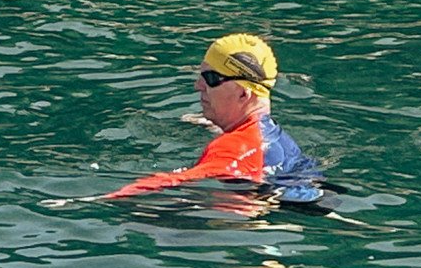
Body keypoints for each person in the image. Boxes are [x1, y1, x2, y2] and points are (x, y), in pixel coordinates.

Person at [109, 32, 325, 205]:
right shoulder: (274, 137)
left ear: (244, 94)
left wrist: (105, 199)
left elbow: (184, 178)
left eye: (210, 79)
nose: (198, 86)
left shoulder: (235, 146)